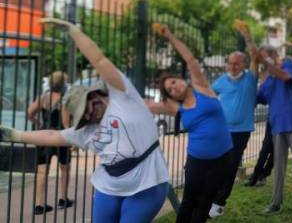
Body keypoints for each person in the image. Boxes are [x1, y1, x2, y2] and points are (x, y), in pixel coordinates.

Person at [0, 18, 170, 223]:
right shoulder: (85, 130)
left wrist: (74, 32)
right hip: (109, 186)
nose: (88, 117)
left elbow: (99, 60)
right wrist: (14, 134)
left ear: (94, 96)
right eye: (82, 116)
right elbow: (53, 135)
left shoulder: (123, 96)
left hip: (147, 183)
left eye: (86, 109)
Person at [146, 23, 233, 223]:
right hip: (197, 161)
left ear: (180, 79)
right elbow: (148, 104)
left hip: (222, 159)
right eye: (170, 89)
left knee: (205, 201)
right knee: (189, 201)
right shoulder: (177, 108)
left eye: (174, 82)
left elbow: (190, 59)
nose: (174, 88)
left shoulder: (202, 87)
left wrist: (170, 36)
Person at [256, 46, 292, 221]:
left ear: (274, 56)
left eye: (266, 59)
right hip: (277, 126)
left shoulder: (289, 65)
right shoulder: (268, 79)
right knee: (278, 168)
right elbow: (257, 97)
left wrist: (267, 67)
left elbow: (287, 78)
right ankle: (276, 203)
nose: (264, 63)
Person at [208, 20, 259, 218]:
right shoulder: (221, 80)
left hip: (241, 131)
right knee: (215, 164)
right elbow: (208, 95)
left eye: (237, 63)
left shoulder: (250, 77)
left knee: (230, 166)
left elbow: (256, 56)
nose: (233, 66)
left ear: (244, 64)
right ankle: (210, 196)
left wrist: (248, 37)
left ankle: (219, 202)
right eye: (230, 63)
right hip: (221, 130)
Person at [27, 71, 73, 215]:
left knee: (42, 171)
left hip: (43, 137)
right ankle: (63, 199)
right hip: (59, 137)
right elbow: (65, 123)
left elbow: (29, 113)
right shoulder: (64, 100)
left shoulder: (43, 98)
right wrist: (73, 138)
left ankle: (39, 205)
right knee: (64, 168)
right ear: (63, 84)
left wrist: (39, 124)